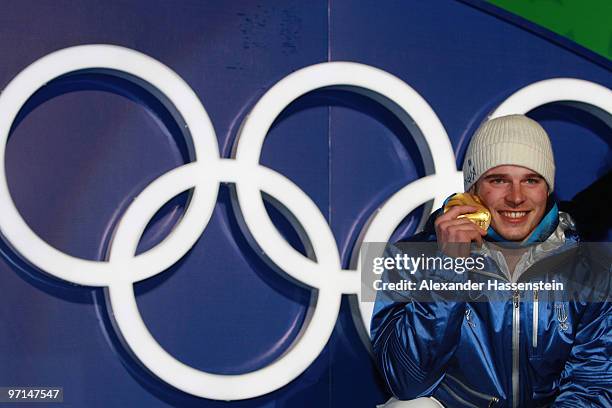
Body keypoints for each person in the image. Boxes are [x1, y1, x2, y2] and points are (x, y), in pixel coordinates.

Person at [370, 115, 611, 407]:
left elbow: (592, 386)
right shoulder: (409, 256)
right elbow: (405, 381)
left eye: (531, 180)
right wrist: (449, 269)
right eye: (499, 180)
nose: (516, 198)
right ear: (472, 190)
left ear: (546, 189)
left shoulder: (591, 270)